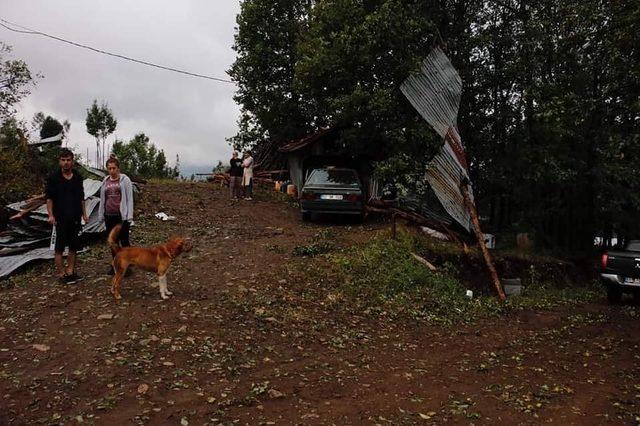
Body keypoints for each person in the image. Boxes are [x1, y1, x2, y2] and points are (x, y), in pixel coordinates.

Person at [45, 148, 88, 284]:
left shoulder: (77, 177)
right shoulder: (53, 178)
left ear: (72, 161)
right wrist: (51, 215)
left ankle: (71, 271)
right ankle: (62, 274)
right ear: (59, 161)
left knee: (73, 246)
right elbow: (49, 198)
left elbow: (82, 198)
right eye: (63, 160)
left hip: (75, 218)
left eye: (68, 160)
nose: (66, 163)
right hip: (60, 219)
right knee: (59, 248)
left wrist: (84, 214)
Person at [98, 157, 134, 275]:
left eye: (114, 168)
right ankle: (115, 265)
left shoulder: (124, 180)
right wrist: (101, 214)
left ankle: (127, 266)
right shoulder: (105, 181)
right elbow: (103, 198)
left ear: (118, 168)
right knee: (113, 241)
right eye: (109, 168)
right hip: (109, 215)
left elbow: (129, 199)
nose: (112, 170)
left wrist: (129, 216)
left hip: (121, 215)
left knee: (124, 241)